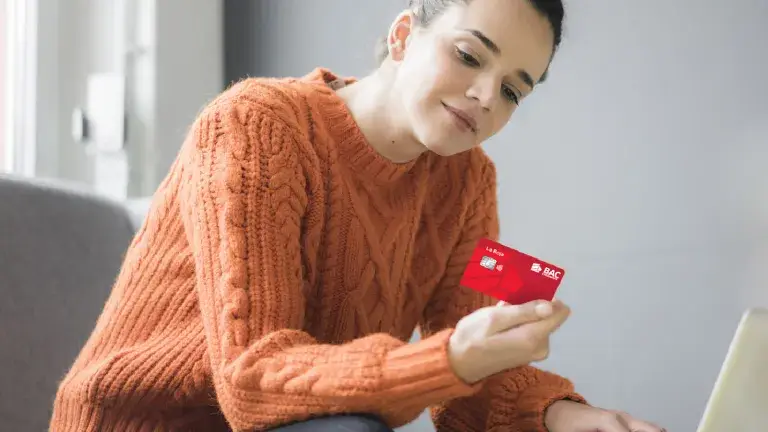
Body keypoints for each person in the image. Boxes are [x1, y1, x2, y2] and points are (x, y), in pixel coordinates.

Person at [50, 0, 666, 431]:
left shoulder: (469, 179)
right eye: (469, 56)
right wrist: (449, 359)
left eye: (512, 90)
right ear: (403, 36)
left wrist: (563, 415)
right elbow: (251, 378)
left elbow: (472, 379)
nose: (484, 96)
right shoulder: (258, 125)